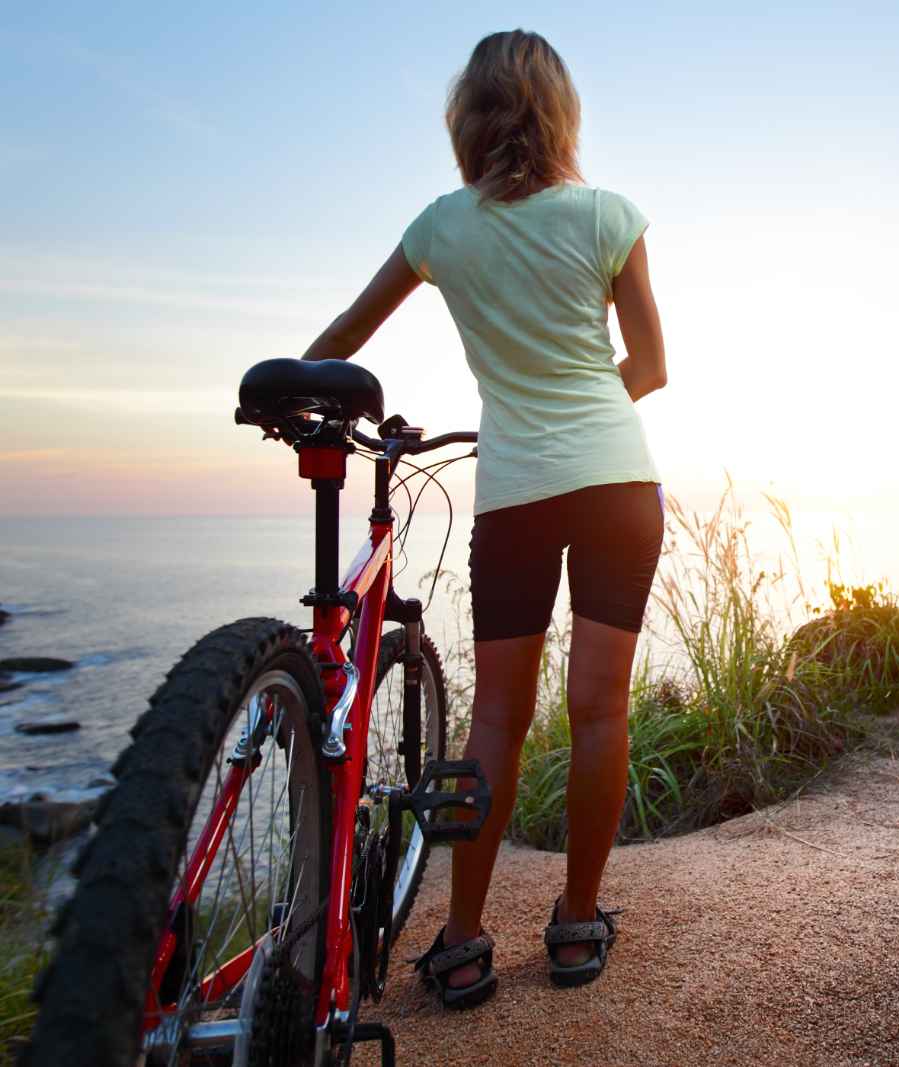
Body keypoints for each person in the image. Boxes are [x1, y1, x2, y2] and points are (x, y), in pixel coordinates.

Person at [301, 28, 667, 1008]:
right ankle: (577, 920)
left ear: (466, 119)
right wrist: (582, 414)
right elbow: (651, 367)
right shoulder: (609, 216)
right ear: (561, 114)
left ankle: (462, 940)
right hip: (617, 483)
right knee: (601, 709)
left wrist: (291, 397)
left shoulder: (440, 227)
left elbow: (339, 341)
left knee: (495, 716)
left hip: (513, 490)